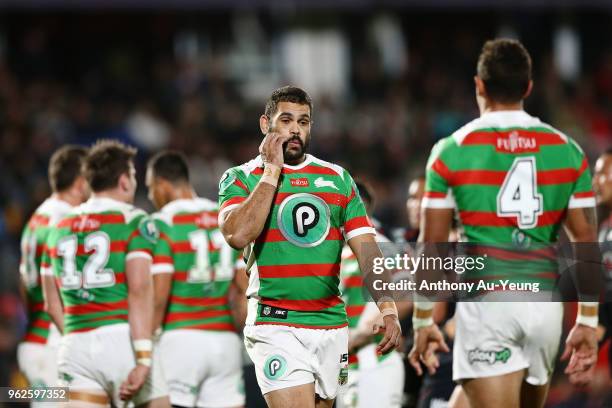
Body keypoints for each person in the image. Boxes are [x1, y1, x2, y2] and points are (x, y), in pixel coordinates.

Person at [408, 39, 600, 408]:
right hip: (545, 307)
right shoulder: (567, 149)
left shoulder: (452, 150)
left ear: (479, 84)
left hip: (489, 306)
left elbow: (432, 247)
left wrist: (422, 320)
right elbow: (586, 242)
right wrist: (588, 320)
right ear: (528, 87)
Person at [218, 85, 402, 408]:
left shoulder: (337, 179)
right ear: (266, 124)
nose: (295, 130)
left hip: (330, 324)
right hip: (275, 322)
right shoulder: (240, 178)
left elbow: (367, 250)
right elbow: (238, 234)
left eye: (303, 122)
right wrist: (272, 172)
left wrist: (387, 306)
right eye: (286, 120)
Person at [42, 140, 170, 408]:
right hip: (122, 340)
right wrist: (143, 358)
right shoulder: (134, 220)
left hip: (74, 345)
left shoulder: (57, 228)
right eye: (134, 175)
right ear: (124, 180)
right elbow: (139, 290)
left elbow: (52, 305)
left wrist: (78, 338)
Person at [146, 150, 247, 408]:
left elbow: (159, 296)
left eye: (150, 188)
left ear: (162, 185)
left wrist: (145, 344)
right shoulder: (222, 217)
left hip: (180, 340)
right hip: (225, 342)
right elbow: (244, 286)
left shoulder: (162, 223)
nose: (150, 196)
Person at [18, 146, 89, 398]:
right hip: (53, 344)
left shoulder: (37, 218)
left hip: (36, 338)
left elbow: (25, 284)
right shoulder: (67, 221)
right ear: (81, 182)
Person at [337, 180, 406, 408]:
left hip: (375, 360)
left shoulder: (380, 247)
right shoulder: (339, 251)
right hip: (348, 363)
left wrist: (363, 332)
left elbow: (406, 293)